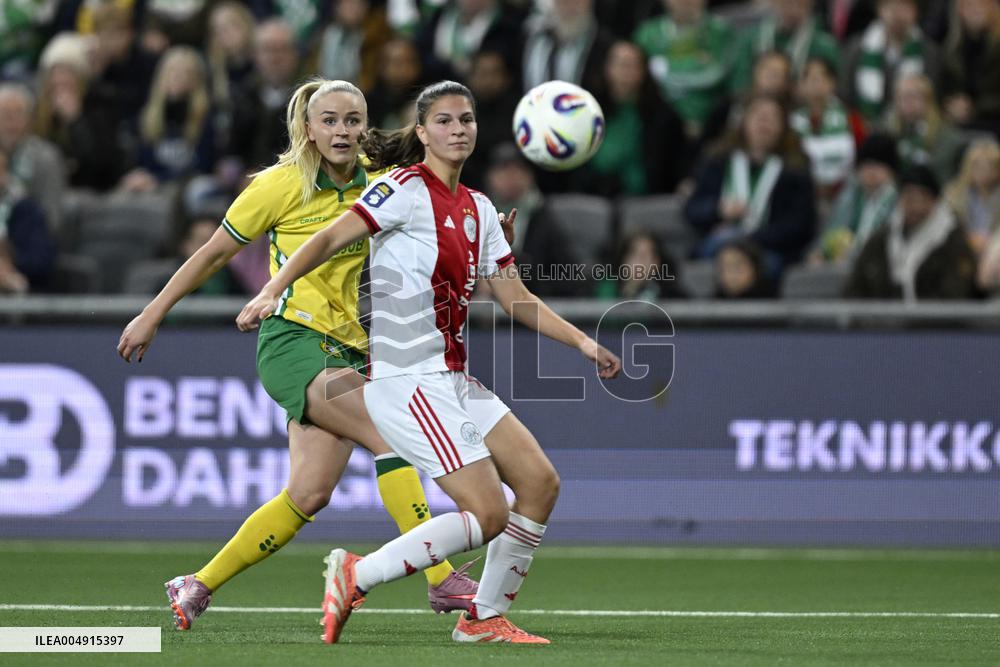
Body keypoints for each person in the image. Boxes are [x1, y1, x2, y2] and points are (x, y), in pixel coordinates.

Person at [236, 80, 622, 644]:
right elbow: (325, 239)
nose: (458, 129)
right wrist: (274, 288)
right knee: (487, 514)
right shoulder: (402, 189)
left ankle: (481, 619)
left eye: (466, 119)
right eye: (443, 121)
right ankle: (356, 574)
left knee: (539, 484)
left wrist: (585, 344)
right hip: (408, 382)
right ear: (422, 133)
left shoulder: (480, 210)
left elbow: (516, 299)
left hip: (452, 378)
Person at [117, 79, 485, 631]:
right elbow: (213, 254)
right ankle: (442, 579)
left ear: (366, 126)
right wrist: (152, 313)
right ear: (307, 129)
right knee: (390, 427)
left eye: (353, 120)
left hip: (351, 348)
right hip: (293, 341)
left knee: (309, 493)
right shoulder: (279, 185)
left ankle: (197, 583)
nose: (342, 130)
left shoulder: (381, 179)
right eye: (330, 120)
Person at [685, 93, 817, 276]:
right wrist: (718, 210)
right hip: (719, 247)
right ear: (744, 121)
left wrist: (748, 239)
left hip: (769, 250)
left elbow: (800, 225)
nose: (764, 124)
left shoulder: (796, 170)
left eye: (771, 118)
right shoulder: (718, 161)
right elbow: (692, 209)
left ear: (783, 126)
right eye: (758, 116)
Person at [843, 165, 978, 300]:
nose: (916, 206)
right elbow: (856, 286)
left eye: (923, 198)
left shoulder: (952, 240)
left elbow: (955, 293)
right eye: (909, 198)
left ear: (934, 201)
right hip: (881, 318)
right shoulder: (882, 238)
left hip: (934, 319)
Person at [633, 0, 736, 140]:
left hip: (708, 122)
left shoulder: (720, 32)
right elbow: (638, 77)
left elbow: (716, 75)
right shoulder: (647, 33)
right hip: (654, 122)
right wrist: (695, 64)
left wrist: (665, 69)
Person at [839, 0, 942, 123]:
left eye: (904, 7)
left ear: (915, 12)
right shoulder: (856, 49)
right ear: (879, 10)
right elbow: (844, 95)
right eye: (891, 7)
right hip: (866, 129)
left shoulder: (929, 53)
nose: (897, 15)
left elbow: (934, 100)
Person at [813, 132, 899, 263]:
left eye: (879, 165)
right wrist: (820, 252)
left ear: (891, 170)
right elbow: (832, 229)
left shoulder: (897, 200)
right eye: (867, 165)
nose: (872, 171)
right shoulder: (850, 195)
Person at [790, 57, 859, 209]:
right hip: (801, 195)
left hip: (843, 194)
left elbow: (861, 159)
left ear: (832, 83)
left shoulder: (851, 118)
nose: (817, 84)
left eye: (823, 78)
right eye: (811, 78)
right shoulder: (790, 122)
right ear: (801, 85)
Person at [732, 0, 841, 91]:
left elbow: (831, 88)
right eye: (788, 3)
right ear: (775, 3)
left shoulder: (823, 46)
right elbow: (739, 84)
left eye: (800, 4)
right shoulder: (751, 39)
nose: (793, 10)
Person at [880, 72, 965, 184]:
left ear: (928, 100)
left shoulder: (947, 136)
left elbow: (943, 172)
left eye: (914, 96)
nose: (908, 103)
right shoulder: (887, 132)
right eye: (903, 97)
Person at [942, 0, 1000, 136]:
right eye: (969, 5)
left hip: (994, 122)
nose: (976, 10)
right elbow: (944, 90)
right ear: (959, 12)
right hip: (959, 122)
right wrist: (951, 106)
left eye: (982, 5)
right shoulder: (952, 49)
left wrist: (973, 108)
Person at [944, 138, 1000, 254]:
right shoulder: (953, 194)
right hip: (961, 249)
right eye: (977, 165)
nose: (984, 171)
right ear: (968, 166)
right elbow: (946, 228)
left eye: (990, 166)